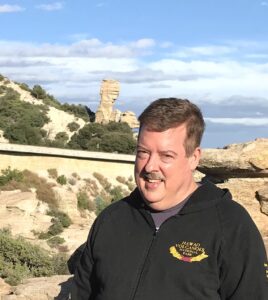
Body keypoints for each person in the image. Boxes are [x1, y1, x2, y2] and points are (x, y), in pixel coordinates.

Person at [71, 98, 268, 299]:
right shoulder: (112, 219)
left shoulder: (232, 226)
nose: (150, 167)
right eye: (143, 153)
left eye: (166, 156)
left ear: (194, 158)